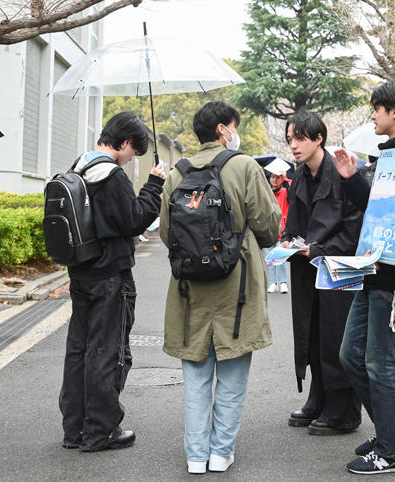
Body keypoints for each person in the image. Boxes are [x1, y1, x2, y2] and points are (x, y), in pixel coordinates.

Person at [159, 101, 280, 474]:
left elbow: (166, 233)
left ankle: (196, 455)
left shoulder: (176, 174)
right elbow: (269, 227)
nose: (235, 132)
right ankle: (220, 452)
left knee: (196, 376)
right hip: (237, 286)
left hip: (189, 288)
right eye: (234, 126)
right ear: (223, 131)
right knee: (232, 374)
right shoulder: (244, 167)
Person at [333, 79, 395, 474]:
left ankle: (391, 452)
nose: (372, 115)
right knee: (351, 355)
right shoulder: (390, 153)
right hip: (374, 271)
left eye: (377, 108)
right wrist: (351, 176)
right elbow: (375, 209)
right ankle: (393, 430)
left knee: (381, 362)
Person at [58, 112, 165, 453]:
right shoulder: (112, 175)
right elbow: (134, 221)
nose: (132, 158)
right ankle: (101, 430)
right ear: (125, 143)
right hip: (110, 277)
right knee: (107, 351)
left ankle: (75, 429)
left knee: (79, 351)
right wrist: (154, 185)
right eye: (134, 151)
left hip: (81, 273)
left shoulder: (79, 166)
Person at [280, 110, 363, 438]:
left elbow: (355, 229)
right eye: (290, 139)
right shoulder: (300, 174)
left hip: (340, 268)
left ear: (319, 139)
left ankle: (344, 410)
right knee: (311, 331)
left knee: (336, 336)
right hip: (307, 267)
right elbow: (295, 221)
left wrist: (316, 250)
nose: (293, 145)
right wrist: (287, 242)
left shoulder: (342, 170)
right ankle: (319, 396)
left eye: (300, 138)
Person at [265, 169, 290, 294]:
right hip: (268, 230)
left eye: (278, 177)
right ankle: (272, 282)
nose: (275, 179)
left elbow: (293, 192)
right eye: (273, 177)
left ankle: (283, 282)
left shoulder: (285, 191)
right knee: (270, 258)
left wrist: (285, 178)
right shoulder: (266, 192)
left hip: (282, 229)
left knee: (281, 257)